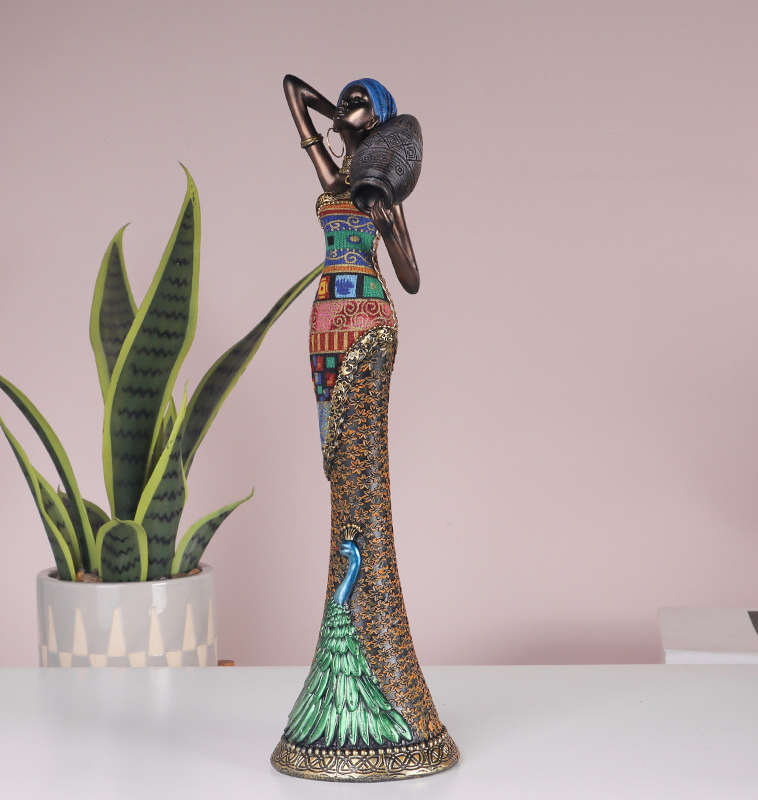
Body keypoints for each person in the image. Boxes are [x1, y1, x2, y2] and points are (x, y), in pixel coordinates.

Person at [271, 75, 458, 782]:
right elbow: (292, 91)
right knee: (334, 465)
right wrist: (343, 115)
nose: (346, 109)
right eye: (346, 100)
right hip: (325, 317)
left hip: (369, 320)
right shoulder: (336, 174)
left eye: (359, 101)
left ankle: (390, 680)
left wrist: (388, 207)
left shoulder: (379, 187)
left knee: (362, 470)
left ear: (375, 115)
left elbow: (410, 276)